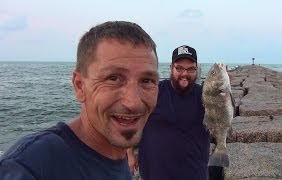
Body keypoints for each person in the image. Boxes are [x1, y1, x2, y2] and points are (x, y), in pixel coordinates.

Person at [0, 21, 159, 180]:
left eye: (147, 80)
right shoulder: (29, 166)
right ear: (79, 86)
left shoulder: (116, 154)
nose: (133, 102)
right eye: (113, 78)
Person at [135, 45, 221, 180]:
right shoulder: (154, 91)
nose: (184, 73)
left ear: (197, 70)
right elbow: (134, 118)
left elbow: (221, 119)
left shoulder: (205, 96)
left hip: (194, 174)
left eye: (190, 68)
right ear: (171, 68)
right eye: (179, 68)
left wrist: (221, 90)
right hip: (154, 174)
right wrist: (128, 152)